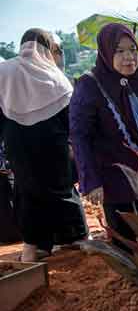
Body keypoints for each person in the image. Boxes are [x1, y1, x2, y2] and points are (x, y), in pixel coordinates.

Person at [70, 23, 138, 249]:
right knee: (125, 241)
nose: (129, 57)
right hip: (114, 179)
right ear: (106, 52)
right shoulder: (90, 86)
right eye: (120, 51)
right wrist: (91, 181)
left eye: (133, 50)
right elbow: (80, 137)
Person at [0, 28, 88, 261]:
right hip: (52, 145)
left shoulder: (4, 70)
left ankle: (34, 246)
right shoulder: (54, 75)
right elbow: (70, 118)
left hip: (18, 145)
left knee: (26, 190)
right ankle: (74, 239)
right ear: (48, 48)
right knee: (62, 189)